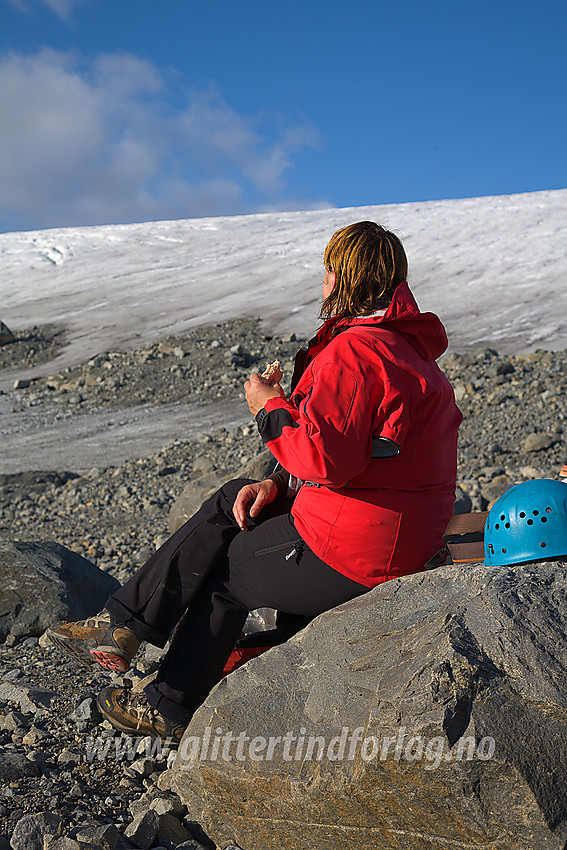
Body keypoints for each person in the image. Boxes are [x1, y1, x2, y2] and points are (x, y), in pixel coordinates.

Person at [47, 221, 462, 743]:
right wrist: (279, 488)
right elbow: (368, 458)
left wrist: (268, 405)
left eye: (329, 268)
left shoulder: (355, 354)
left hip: (360, 550)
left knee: (227, 570)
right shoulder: (410, 354)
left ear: (341, 277)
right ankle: (125, 625)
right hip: (398, 537)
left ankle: (166, 701)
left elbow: (322, 457)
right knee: (235, 500)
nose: (324, 279)